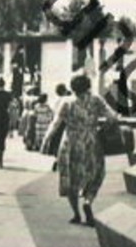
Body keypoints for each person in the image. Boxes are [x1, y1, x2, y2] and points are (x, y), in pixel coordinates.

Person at [45, 73, 120, 226]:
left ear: (72, 88)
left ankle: (76, 214)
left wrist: (46, 139)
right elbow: (112, 117)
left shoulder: (67, 102)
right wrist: (101, 129)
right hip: (91, 141)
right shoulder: (96, 100)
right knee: (96, 174)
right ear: (88, 85)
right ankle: (88, 201)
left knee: (70, 178)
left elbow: (56, 123)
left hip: (70, 142)